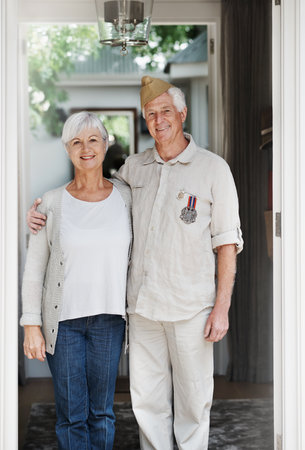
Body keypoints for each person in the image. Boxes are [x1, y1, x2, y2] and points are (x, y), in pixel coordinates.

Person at [27, 76, 243, 450]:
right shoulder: (133, 171)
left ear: (182, 113)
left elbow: (226, 243)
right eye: (150, 113)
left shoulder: (213, 169)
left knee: (193, 402)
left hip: (191, 307)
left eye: (165, 112)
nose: (158, 120)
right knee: (147, 404)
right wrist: (35, 215)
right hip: (141, 310)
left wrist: (221, 307)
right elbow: (89, 207)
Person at [21, 111, 132, 450]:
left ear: (106, 143)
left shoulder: (126, 196)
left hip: (110, 321)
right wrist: (31, 325)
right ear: (68, 149)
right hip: (64, 324)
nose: (86, 148)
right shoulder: (52, 202)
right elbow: (35, 268)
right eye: (76, 142)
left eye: (93, 139)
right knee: (72, 414)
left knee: (101, 412)